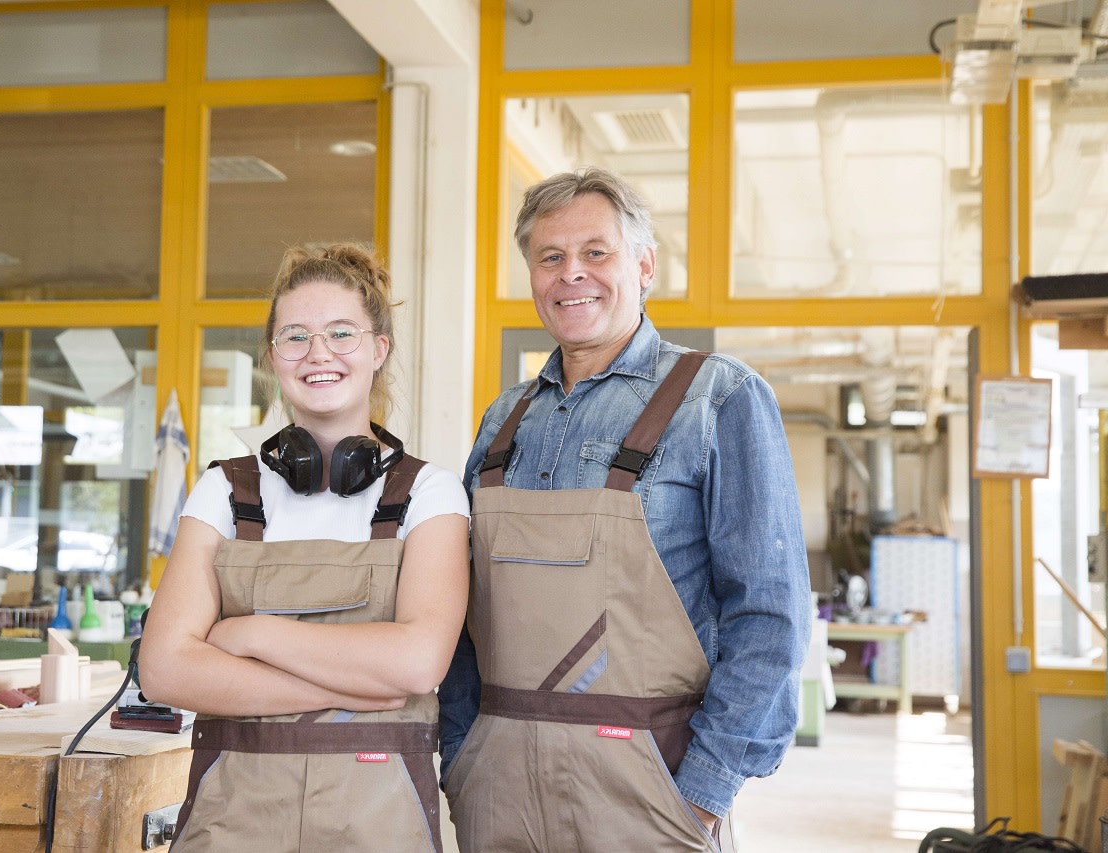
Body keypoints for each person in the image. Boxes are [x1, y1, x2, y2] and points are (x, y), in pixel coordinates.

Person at [438, 167, 812, 852]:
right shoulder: (503, 419)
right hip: (497, 787)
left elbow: (770, 615)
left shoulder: (719, 398)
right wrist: (462, 754)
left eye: (595, 252)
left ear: (644, 265)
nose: (570, 273)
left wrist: (700, 792)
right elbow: (463, 611)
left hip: (651, 789)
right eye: (550, 257)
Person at [139, 243, 470, 853]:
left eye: (342, 333)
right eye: (296, 336)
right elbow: (163, 669)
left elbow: (418, 664)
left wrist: (253, 636)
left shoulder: (429, 492)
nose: (319, 354)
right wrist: (352, 688)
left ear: (379, 349)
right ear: (273, 357)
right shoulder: (224, 490)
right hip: (230, 822)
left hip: (379, 825)